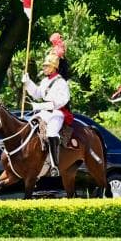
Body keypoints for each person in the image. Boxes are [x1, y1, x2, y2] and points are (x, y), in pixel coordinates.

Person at [22, 35, 71, 176]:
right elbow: (37, 94)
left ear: (54, 67)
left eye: (46, 66)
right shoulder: (44, 81)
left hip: (57, 113)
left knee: (51, 133)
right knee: (27, 123)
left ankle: (55, 165)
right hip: (44, 113)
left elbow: (61, 101)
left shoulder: (61, 82)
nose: (44, 68)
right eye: (44, 66)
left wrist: (40, 106)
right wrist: (28, 82)